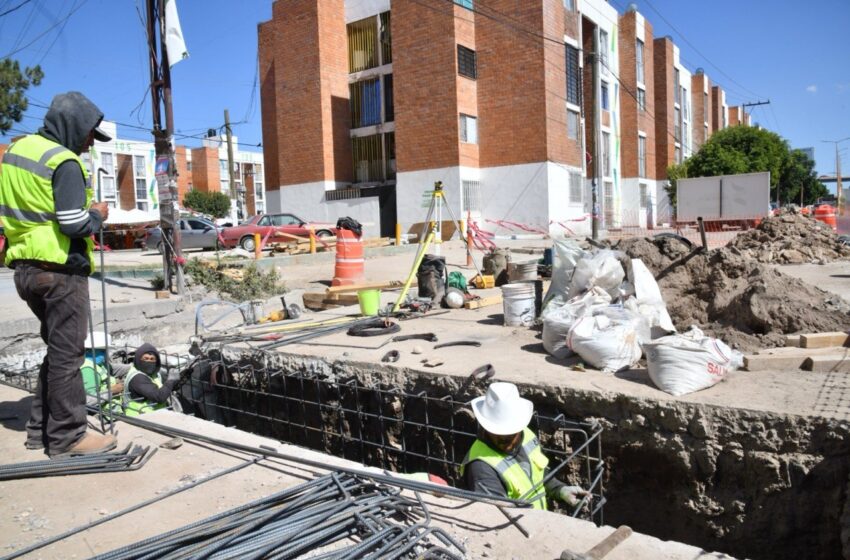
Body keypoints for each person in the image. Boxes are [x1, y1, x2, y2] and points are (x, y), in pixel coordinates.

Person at [0, 91, 116, 457]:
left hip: (26, 271)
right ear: (73, 127)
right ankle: (68, 437)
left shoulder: (17, 154)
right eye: (87, 136)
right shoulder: (63, 161)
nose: (87, 145)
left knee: (57, 352)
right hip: (59, 271)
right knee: (69, 356)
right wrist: (97, 214)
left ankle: (39, 430)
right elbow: (72, 223)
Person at [461, 382, 588, 511]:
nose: (504, 439)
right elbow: (499, 516)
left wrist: (559, 489)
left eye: (510, 433)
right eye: (498, 432)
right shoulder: (482, 467)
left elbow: (537, 474)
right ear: (486, 426)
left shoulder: (527, 435)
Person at [116, 344, 178, 416]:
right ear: (139, 359)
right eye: (146, 359)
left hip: (155, 415)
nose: (149, 362)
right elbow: (159, 396)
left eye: (152, 359)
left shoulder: (154, 374)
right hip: (139, 418)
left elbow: (165, 388)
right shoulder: (137, 378)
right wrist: (171, 381)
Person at [80, 331, 124, 406]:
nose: (105, 354)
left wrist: (133, 365)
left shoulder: (98, 363)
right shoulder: (88, 370)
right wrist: (112, 391)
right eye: (102, 351)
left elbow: (113, 368)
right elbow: (87, 401)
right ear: (89, 351)